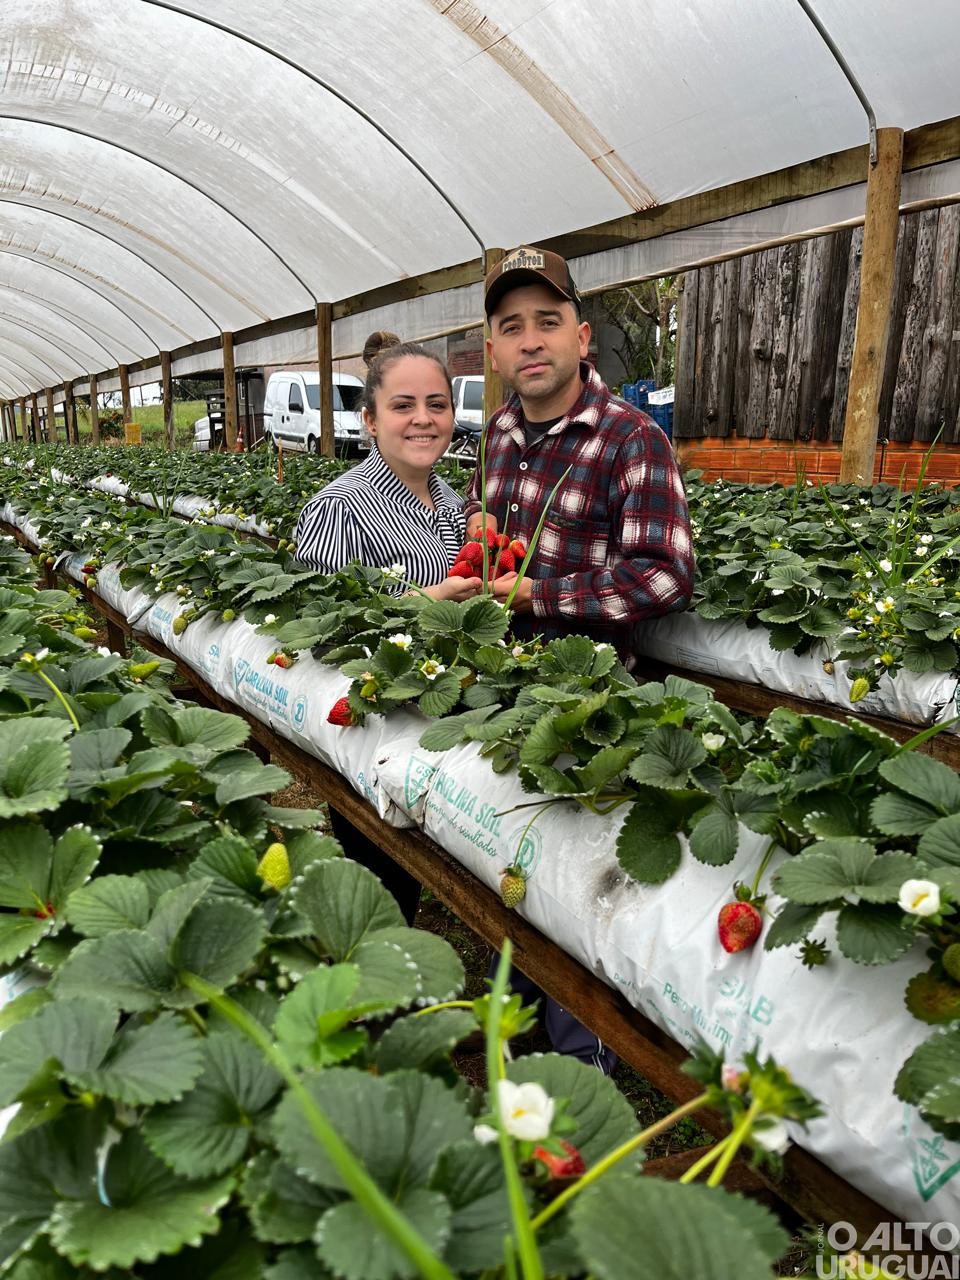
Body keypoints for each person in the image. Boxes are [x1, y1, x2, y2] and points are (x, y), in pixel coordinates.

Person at [465, 246, 695, 1071]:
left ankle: (577, 1067)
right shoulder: (495, 436)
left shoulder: (631, 441)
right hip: (501, 694)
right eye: (511, 326)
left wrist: (534, 597)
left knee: (570, 878)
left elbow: (665, 574)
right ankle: (522, 1008)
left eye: (547, 322)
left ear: (583, 336)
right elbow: (487, 542)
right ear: (492, 349)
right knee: (511, 852)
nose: (531, 341)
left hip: (593, 712)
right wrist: (479, 577)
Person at [296, 339, 482, 921]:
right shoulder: (341, 506)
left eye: (437, 404)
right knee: (379, 893)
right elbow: (321, 633)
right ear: (370, 419)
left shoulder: (452, 502)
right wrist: (427, 601)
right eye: (403, 406)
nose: (423, 419)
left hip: (440, 714)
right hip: (372, 729)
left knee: (417, 873)